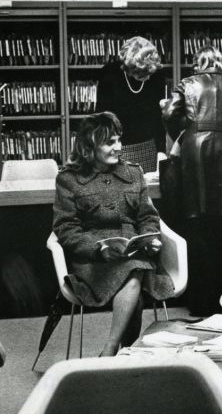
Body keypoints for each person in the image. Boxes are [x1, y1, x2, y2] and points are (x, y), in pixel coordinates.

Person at [52, 112, 173, 356]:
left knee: (136, 266)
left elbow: (148, 217)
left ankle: (113, 352)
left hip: (133, 252)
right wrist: (96, 248)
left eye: (119, 140)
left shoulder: (134, 173)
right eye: (110, 142)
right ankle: (119, 352)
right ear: (89, 145)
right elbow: (65, 228)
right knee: (136, 279)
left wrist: (150, 238)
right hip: (93, 262)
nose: (118, 148)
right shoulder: (69, 179)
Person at [160, 45, 222, 315]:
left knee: (197, 221)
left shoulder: (187, 83)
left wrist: (184, 131)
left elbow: (168, 114)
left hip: (195, 149)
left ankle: (200, 301)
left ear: (198, 64)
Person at [97, 36, 167, 173]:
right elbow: (102, 119)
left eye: (149, 73)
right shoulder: (110, 74)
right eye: (142, 73)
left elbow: (159, 118)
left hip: (148, 149)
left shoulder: (156, 76)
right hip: (116, 148)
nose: (147, 77)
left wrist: (161, 151)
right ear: (130, 68)